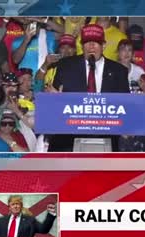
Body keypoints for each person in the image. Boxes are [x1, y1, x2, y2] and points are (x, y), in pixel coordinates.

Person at [49, 24, 130, 152]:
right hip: (69, 140)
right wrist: (55, 100)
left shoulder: (119, 71)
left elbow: (125, 106)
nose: (91, 46)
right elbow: (53, 98)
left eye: (96, 42)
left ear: (104, 46)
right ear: (82, 46)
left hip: (105, 140)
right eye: (87, 42)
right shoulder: (65, 66)